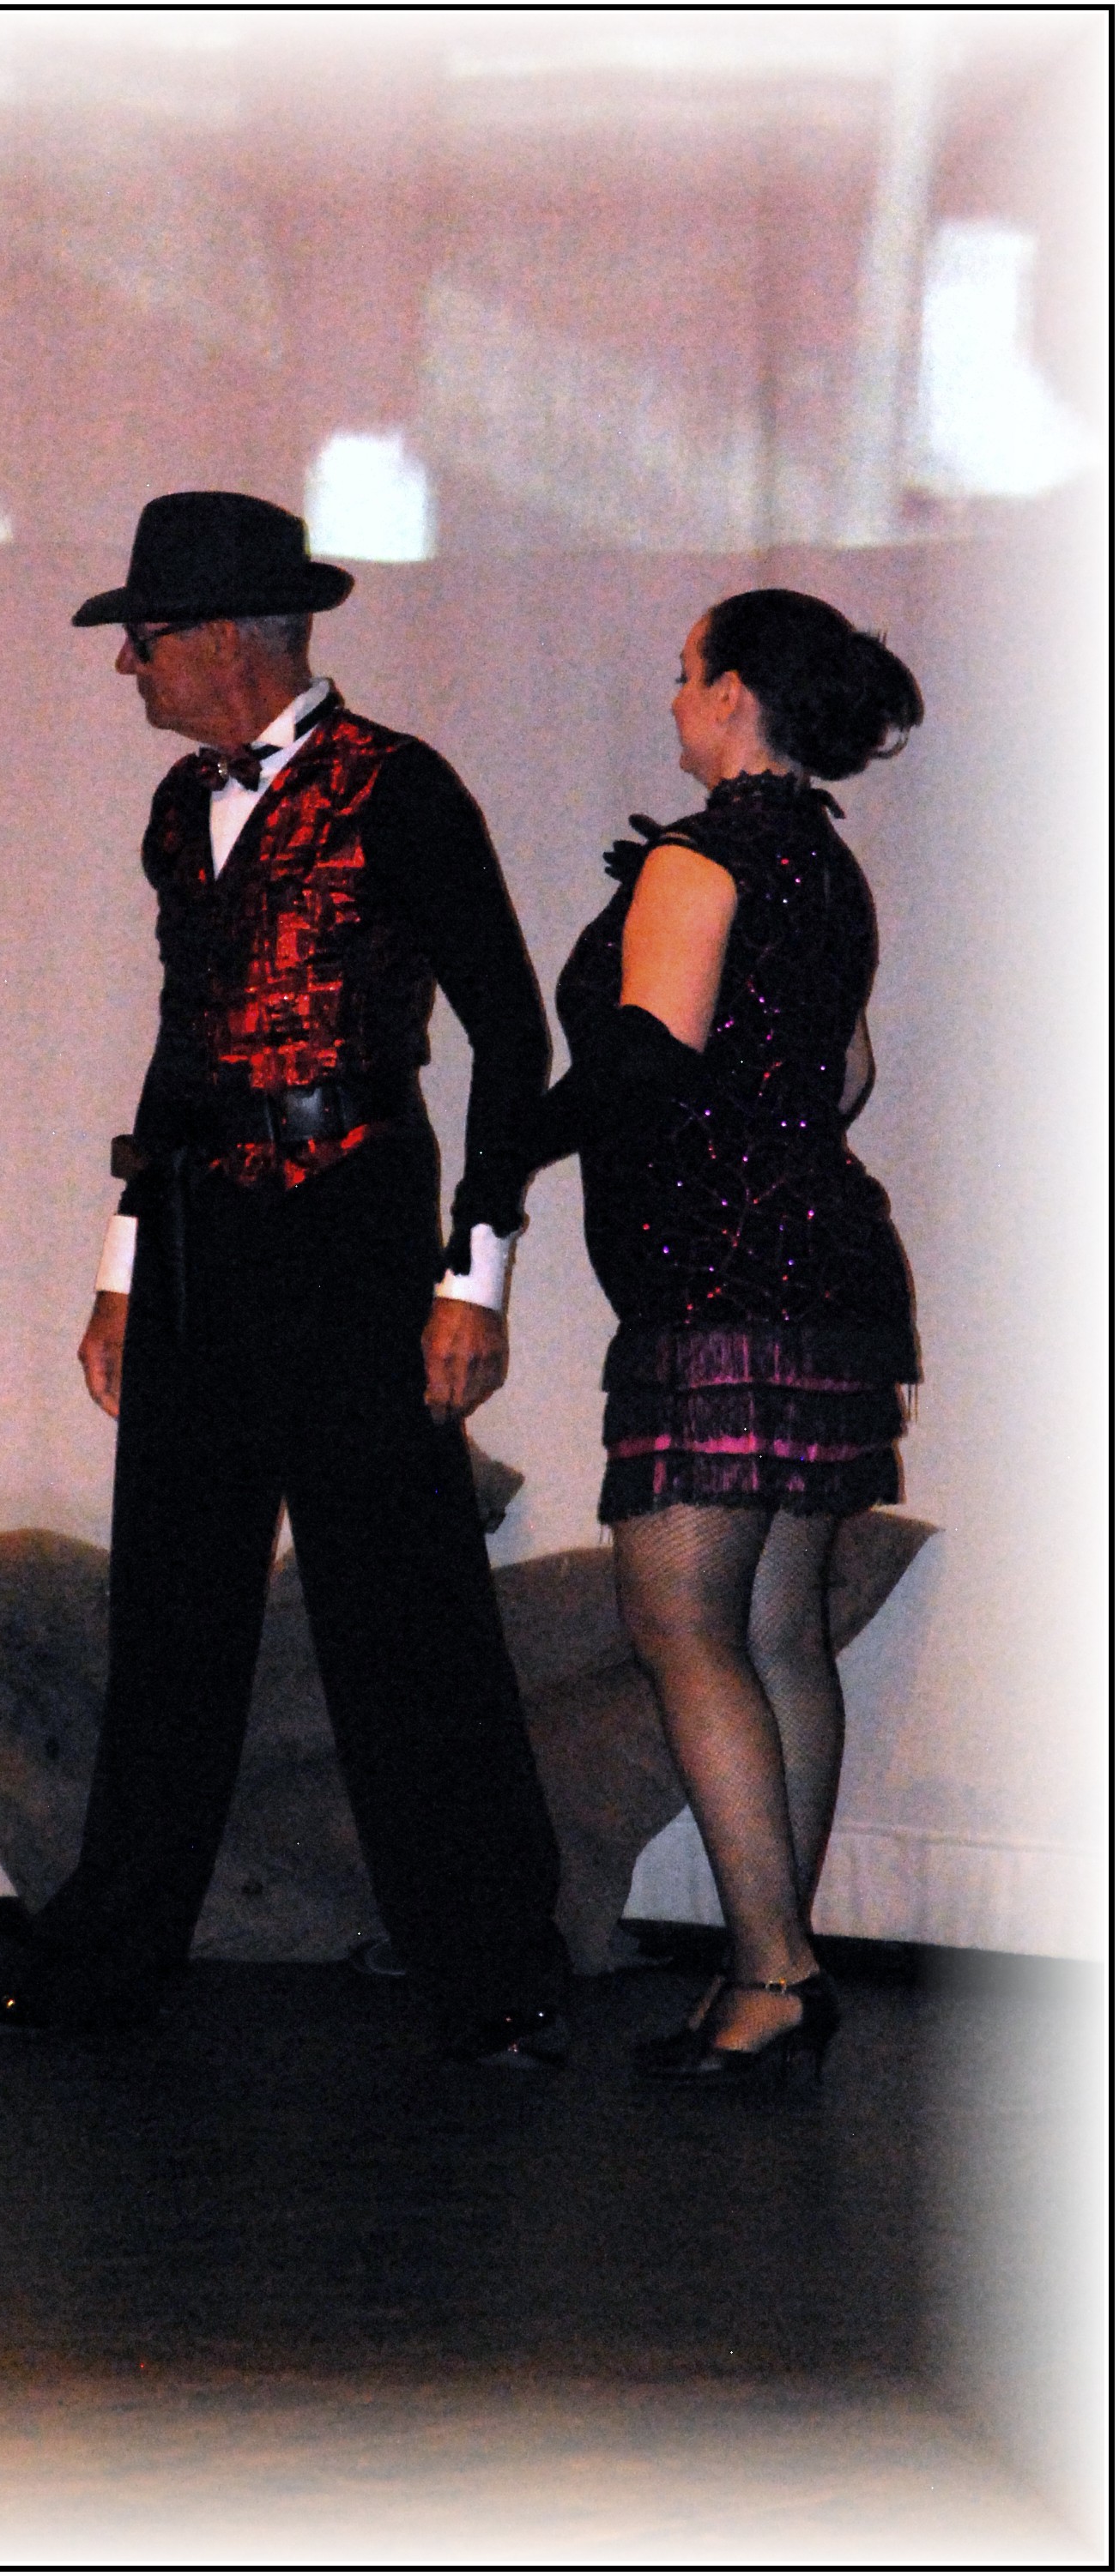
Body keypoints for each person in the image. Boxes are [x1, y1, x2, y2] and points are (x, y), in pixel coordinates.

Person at [0, 490, 569, 2065]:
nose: (129, 666)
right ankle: (108, 1953)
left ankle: (494, 1969)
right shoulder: (181, 810)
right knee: (172, 1605)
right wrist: (120, 1264)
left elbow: (513, 1033)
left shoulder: (399, 788)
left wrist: (476, 1270)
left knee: (402, 1605)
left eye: (146, 637)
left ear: (228, 637)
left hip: (356, 1222)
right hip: (199, 1231)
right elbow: (185, 1042)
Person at [532, 587, 923, 2083]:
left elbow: (644, 1057)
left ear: (735, 689)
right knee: (776, 1627)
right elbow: (846, 1075)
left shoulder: (702, 856)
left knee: (686, 1624)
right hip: (825, 1266)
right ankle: (776, 1964)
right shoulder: (825, 863)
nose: (673, 694)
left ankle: (770, 1975)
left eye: (686, 671)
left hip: (718, 1282)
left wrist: (504, 1154)